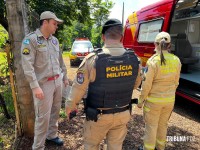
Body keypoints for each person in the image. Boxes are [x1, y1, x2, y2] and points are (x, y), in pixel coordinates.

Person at [65, 18, 142, 150]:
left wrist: (70, 107)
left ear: (102, 37)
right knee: (116, 147)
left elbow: (78, 88)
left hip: (98, 117)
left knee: (91, 146)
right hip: (123, 114)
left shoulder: (92, 59)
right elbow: (136, 84)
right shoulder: (135, 59)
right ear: (121, 38)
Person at [21, 11, 69, 150]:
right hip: (43, 85)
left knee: (55, 111)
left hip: (57, 81)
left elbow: (60, 61)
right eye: (54, 23)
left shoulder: (54, 40)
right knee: (42, 118)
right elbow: (27, 65)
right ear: (45, 22)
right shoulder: (31, 40)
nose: (56, 26)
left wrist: (64, 76)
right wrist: (35, 86)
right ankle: (38, 147)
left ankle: (52, 135)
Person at [137, 32, 182, 150]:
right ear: (169, 45)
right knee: (163, 125)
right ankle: (160, 147)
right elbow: (176, 82)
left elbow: (146, 85)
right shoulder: (176, 60)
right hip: (169, 101)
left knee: (151, 127)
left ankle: (148, 148)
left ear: (155, 44)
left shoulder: (153, 61)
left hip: (153, 102)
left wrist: (141, 101)